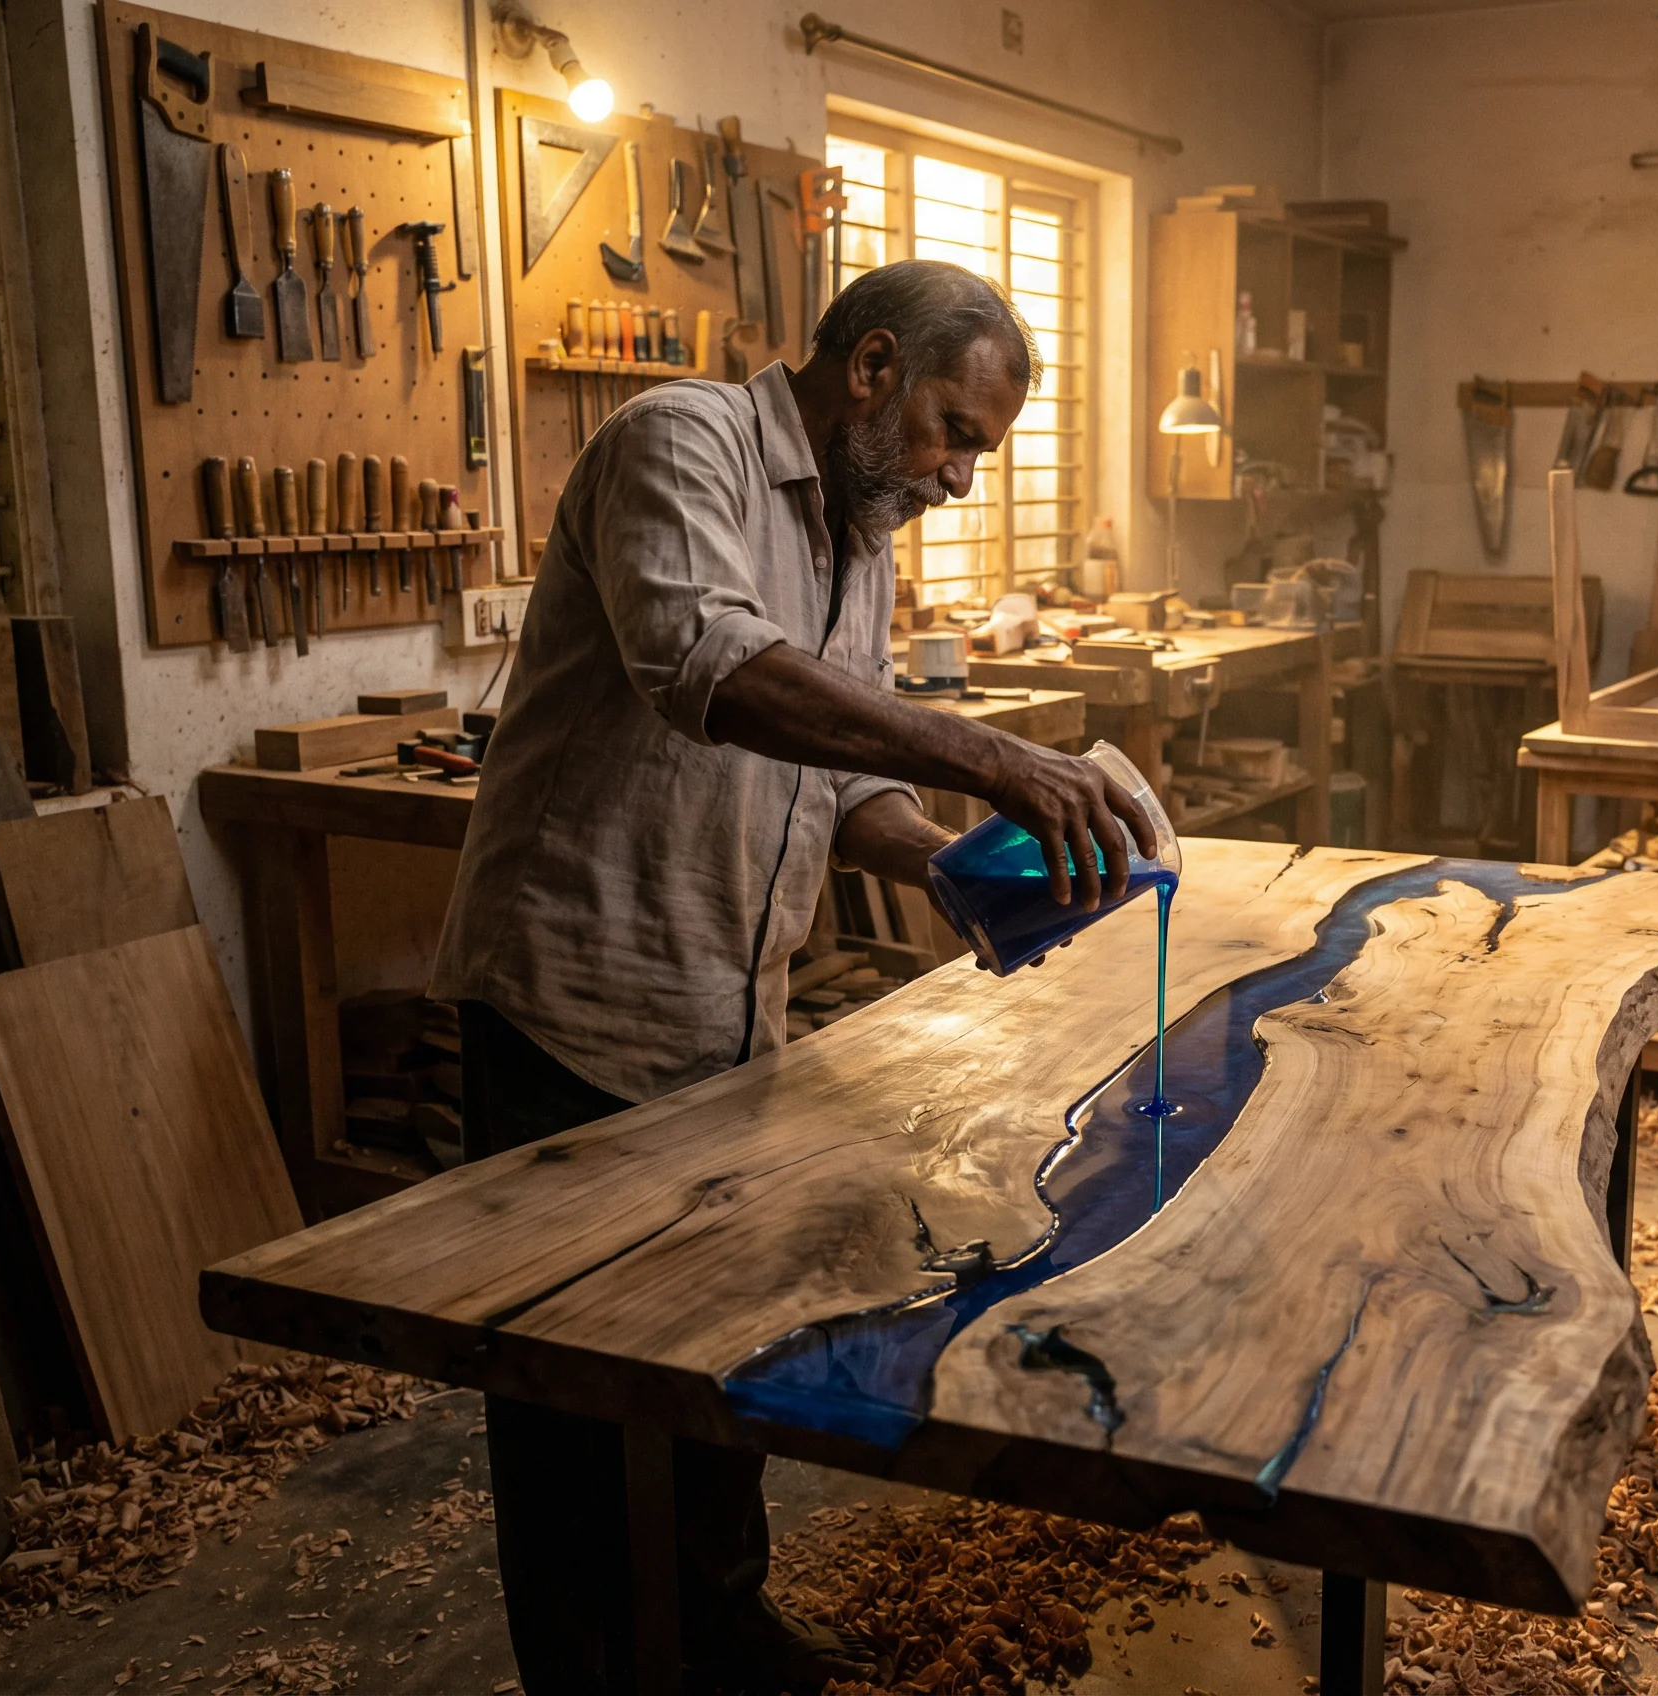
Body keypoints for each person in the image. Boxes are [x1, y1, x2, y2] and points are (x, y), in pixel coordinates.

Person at [429, 259, 1157, 1695]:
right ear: (872, 366)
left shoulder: (860, 528)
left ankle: (719, 1631)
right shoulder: (677, 442)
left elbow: (822, 785)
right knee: (576, 1392)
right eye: (955, 432)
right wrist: (999, 754)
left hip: (727, 1009)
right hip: (575, 993)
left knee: (718, 1352)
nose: (957, 477)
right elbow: (707, 666)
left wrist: (951, 863)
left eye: (980, 454)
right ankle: (594, 1670)